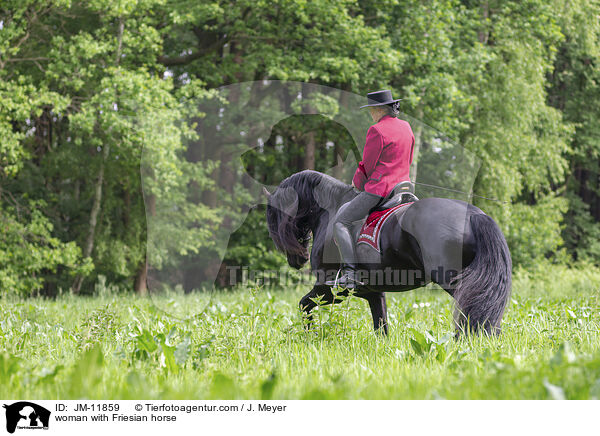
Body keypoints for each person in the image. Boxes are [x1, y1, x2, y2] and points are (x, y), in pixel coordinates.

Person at [325, 90, 415, 289]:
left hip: (380, 190)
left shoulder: (376, 130)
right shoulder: (406, 127)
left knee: (341, 221)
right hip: (404, 187)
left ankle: (349, 274)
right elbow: (408, 159)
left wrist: (357, 182)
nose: (371, 115)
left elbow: (368, 165)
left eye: (371, 110)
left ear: (377, 109)